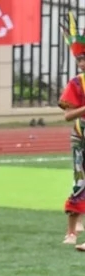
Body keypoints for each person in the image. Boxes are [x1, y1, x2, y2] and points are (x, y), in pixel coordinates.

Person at [60, 12, 85, 248]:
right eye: (79, 61)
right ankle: (71, 232)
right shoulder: (77, 83)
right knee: (80, 182)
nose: (82, 64)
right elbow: (68, 115)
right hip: (82, 137)